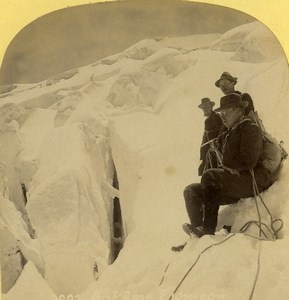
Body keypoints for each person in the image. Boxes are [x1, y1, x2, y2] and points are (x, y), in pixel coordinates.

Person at [182, 93, 274, 238]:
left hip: (252, 180)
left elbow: (248, 160)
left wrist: (224, 168)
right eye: (221, 113)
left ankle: (208, 229)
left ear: (238, 110)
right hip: (236, 182)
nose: (222, 117)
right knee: (191, 191)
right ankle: (197, 231)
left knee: (210, 175)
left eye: (226, 112)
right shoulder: (228, 134)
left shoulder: (250, 128)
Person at [197, 98, 223, 176]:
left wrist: (217, 143)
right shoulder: (207, 121)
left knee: (214, 169)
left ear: (211, 106)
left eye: (206, 106)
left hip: (218, 148)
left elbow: (221, 131)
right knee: (204, 169)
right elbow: (205, 137)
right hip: (209, 148)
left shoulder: (216, 117)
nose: (205, 109)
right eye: (203, 107)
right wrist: (202, 154)